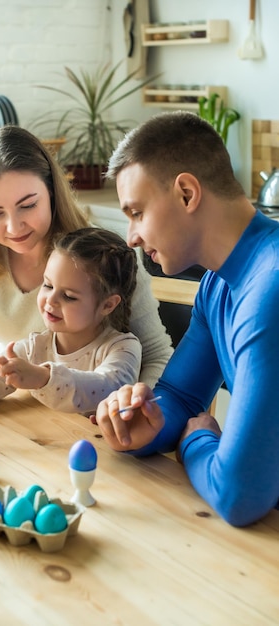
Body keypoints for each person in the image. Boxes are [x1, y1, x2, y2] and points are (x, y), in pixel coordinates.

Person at [95, 110, 279, 527]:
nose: (131, 237)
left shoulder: (271, 288)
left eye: (137, 212)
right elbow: (179, 396)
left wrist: (197, 440)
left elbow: (239, 494)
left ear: (186, 194)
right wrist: (142, 423)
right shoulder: (218, 285)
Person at [0, 125, 172, 388]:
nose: (14, 227)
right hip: (15, 411)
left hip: (92, 418)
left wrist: (137, 405)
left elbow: (157, 355)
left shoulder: (102, 257)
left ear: (52, 192)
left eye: (28, 205)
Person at [0, 227, 142, 414]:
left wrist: (42, 377)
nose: (51, 300)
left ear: (108, 305)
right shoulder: (33, 350)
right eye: (48, 285)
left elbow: (108, 389)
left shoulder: (122, 348)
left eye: (68, 296)